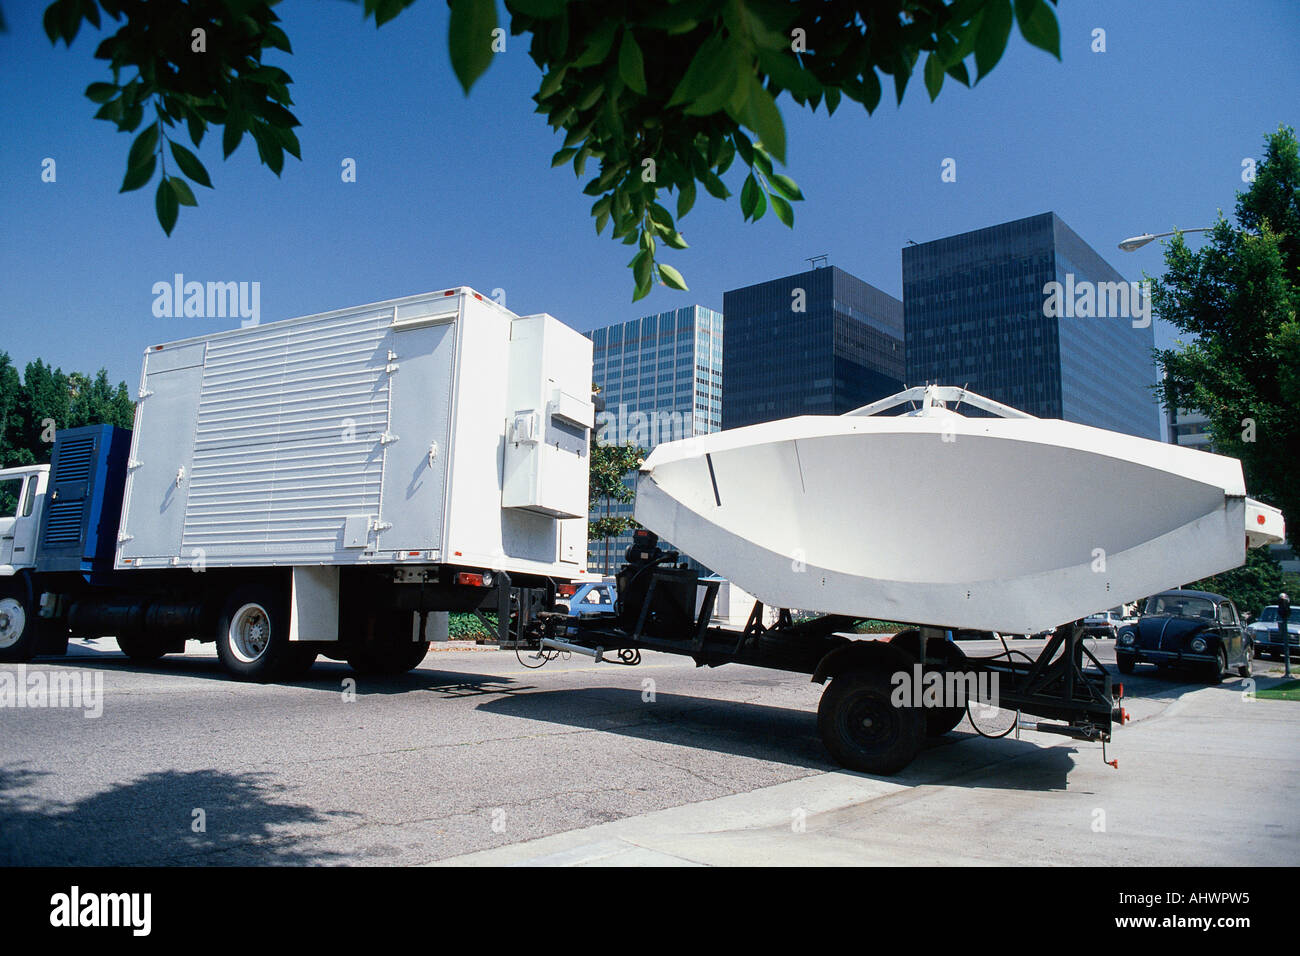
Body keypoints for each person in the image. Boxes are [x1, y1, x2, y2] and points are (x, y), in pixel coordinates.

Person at [1279, 593, 1292, 676]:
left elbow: (1287, 612)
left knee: (1287, 649)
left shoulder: (1287, 610)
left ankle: (1288, 671)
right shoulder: (1280, 610)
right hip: (1283, 620)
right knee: (1286, 648)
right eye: (1281, 600)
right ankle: (1287, 671)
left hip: (1285, 620)